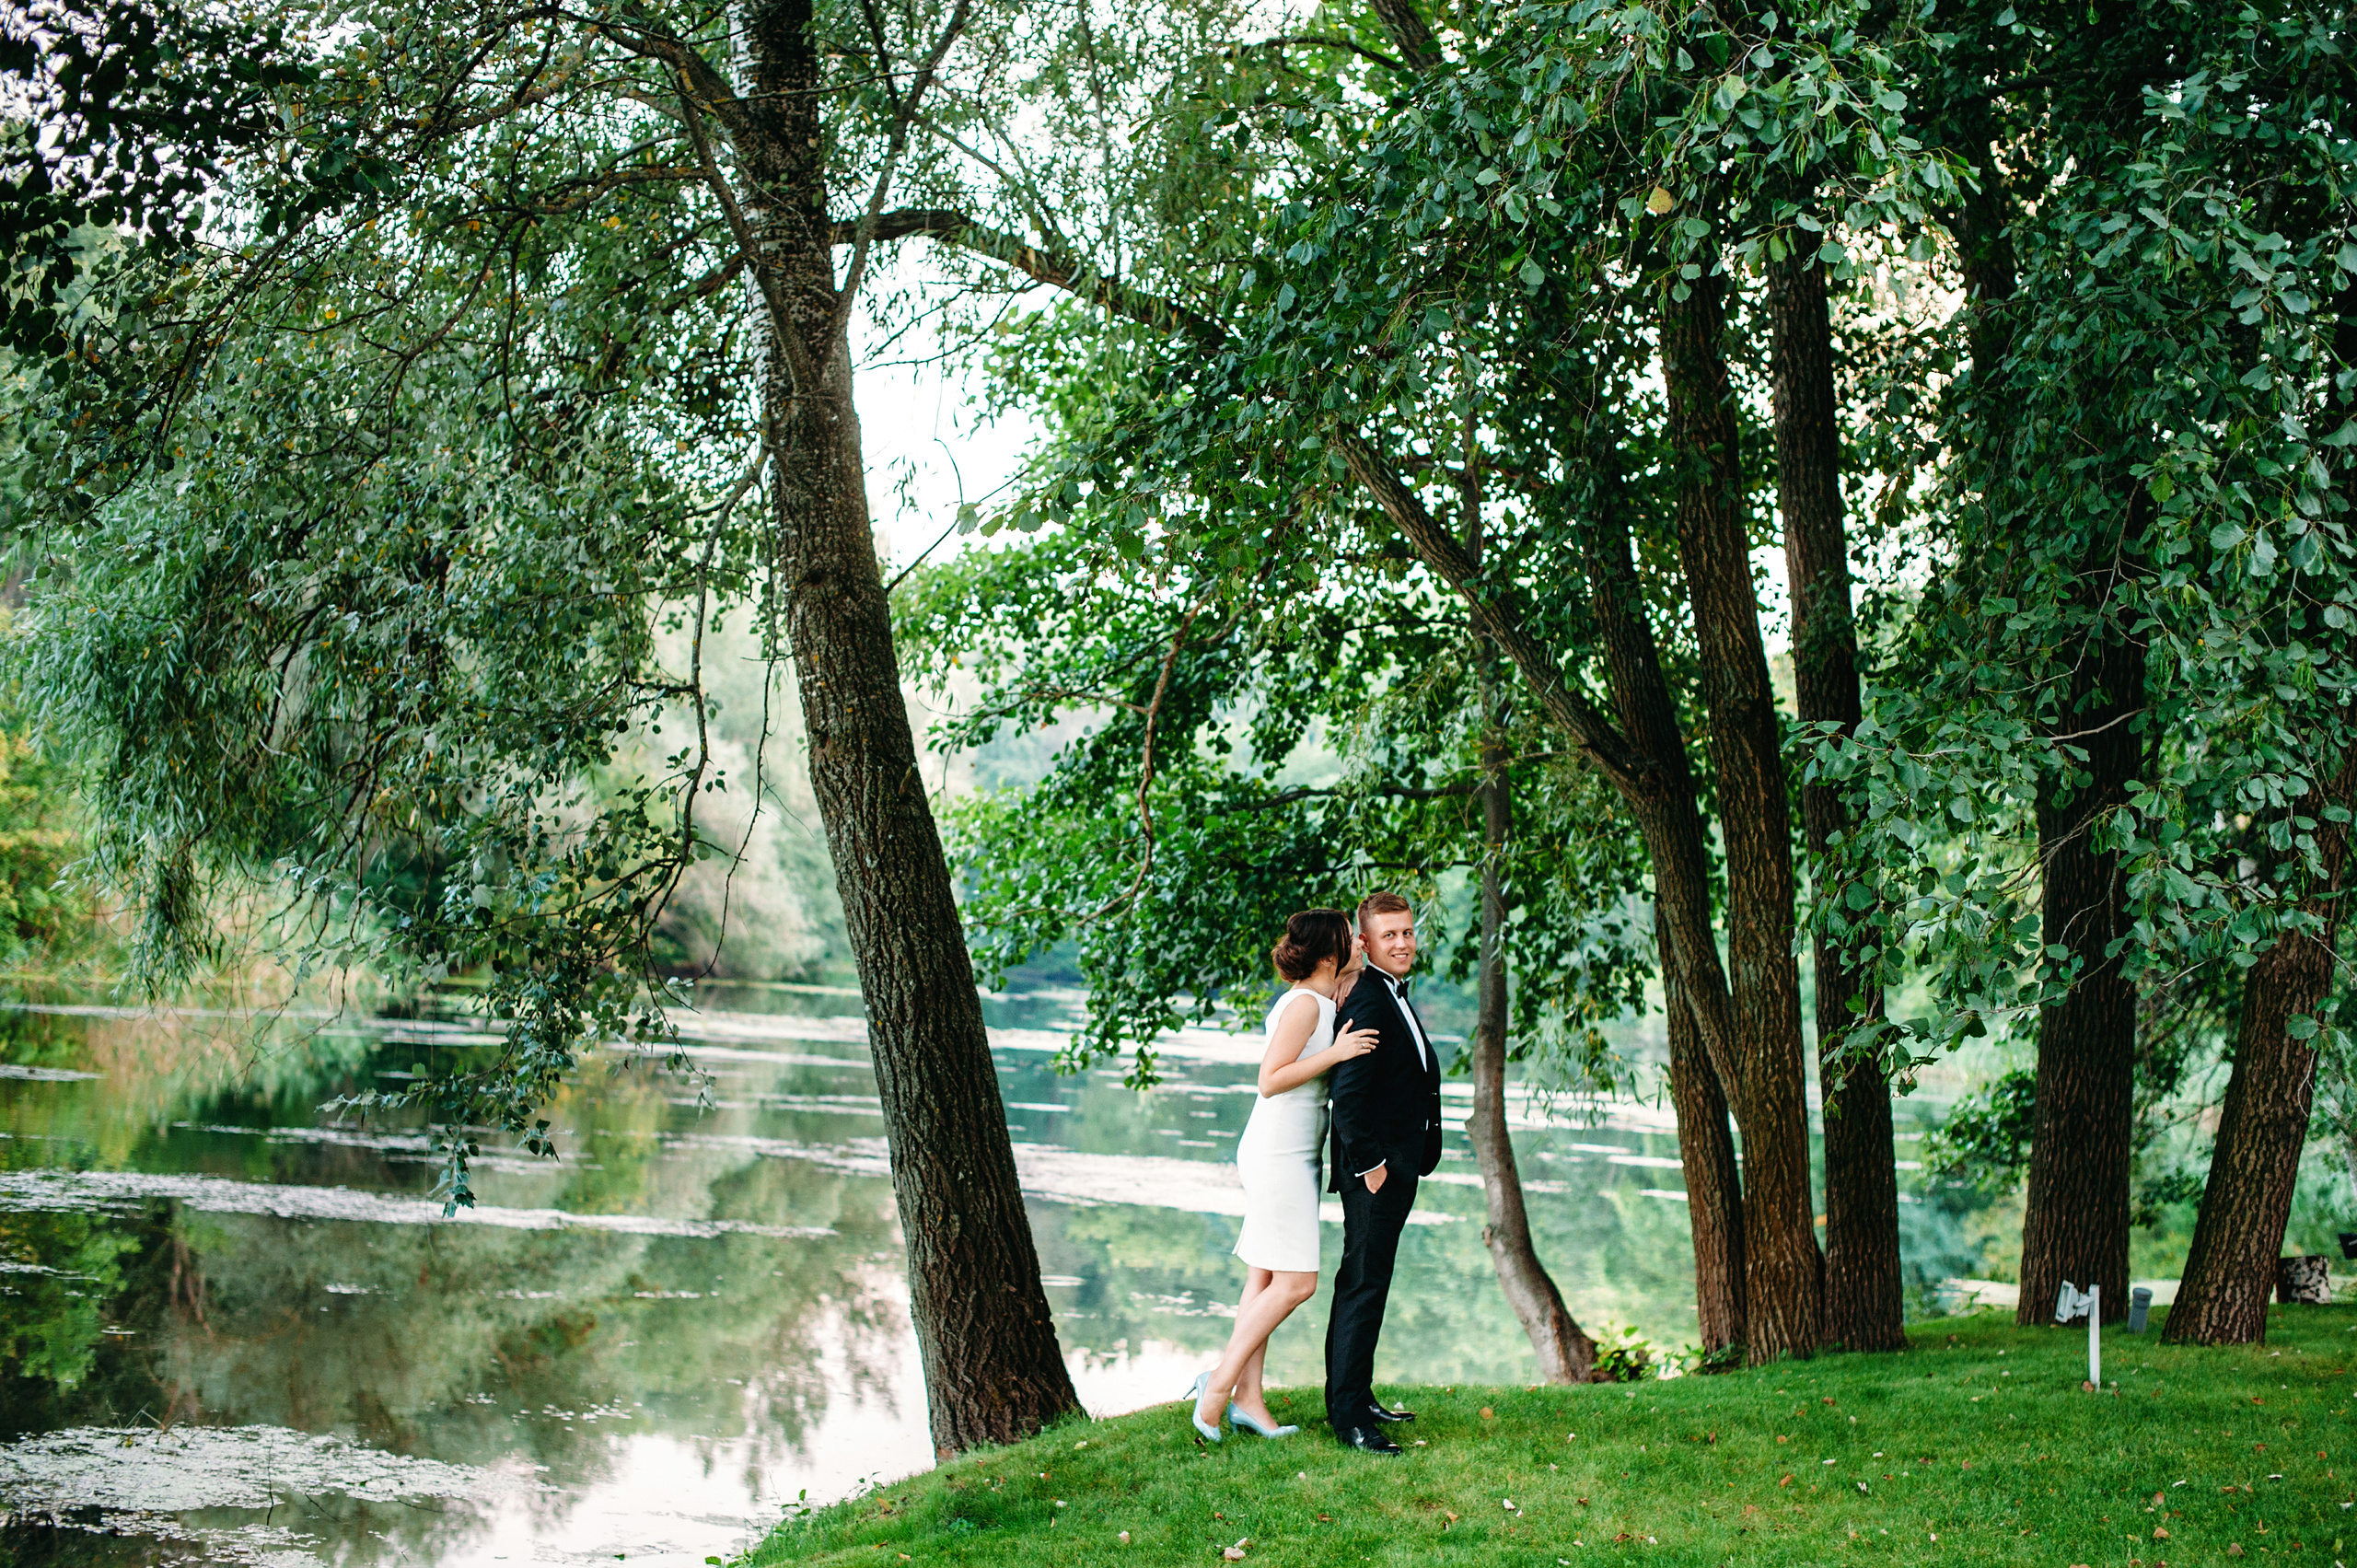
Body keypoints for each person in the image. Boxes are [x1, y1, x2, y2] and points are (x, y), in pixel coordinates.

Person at [1188, 909, 1379, 1442]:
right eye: (1350, 938)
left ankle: (1248, 1400)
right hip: (1278, 1154)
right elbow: (1270, 1080)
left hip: (1292, 1152)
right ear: (1327, 954)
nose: (1359, 942)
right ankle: (1219, 1387)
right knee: (1297, 1283)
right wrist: (1339, 1052)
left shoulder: (1320, 999)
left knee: (1265, 1278)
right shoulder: (1302, 1004)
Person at [1323, 890, 1444, 1456]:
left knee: (1373, 1283)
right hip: (1375, 1171)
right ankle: (1348, 1416)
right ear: (1365, 943)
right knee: (1362, 1283)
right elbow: (1346, 1100)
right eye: (1389, 935)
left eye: (1407, 933)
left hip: (1395, 1165)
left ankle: (1359, 1395)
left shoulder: (1388, 994)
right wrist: (1372, 1167)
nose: (1402, 943)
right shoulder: (1369, 1000)